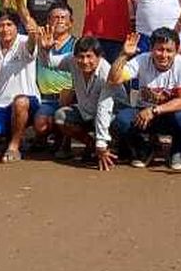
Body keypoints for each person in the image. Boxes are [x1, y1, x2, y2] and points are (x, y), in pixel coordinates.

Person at [110, 28, 181, 170]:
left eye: (169, 50)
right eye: (159, 50)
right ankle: (144, 148)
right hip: (143, 114)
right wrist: (124, 55)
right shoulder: (142, 60)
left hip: (169, 114)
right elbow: (114, 79)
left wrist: (155, 110)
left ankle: (176, 151)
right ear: (151, 49)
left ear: (176, 50)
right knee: (120, 121)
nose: (164, 55)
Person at [37, 32, 123, 169]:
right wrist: (45, 50)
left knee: (115, 123)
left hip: (112, 115)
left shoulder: (106, 73)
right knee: (60, 116)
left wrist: (101, 144)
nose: (84, 61)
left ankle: (112, 146)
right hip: (86, 112)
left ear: (99, 56)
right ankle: (90, 144)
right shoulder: (71, 60)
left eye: (89, 57)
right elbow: (49, 63)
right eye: (81, 57)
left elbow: (104, 108)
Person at [0, 0, 40, 162]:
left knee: (20, 102)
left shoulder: (24, 42)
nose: (5, 29)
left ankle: (14, 146)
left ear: (16, 27)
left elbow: (32, 35)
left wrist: (21, 5)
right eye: (0, 25)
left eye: (9, 25)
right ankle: (9, 132)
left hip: (27, 101)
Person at [31, 2, 77, 153]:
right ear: (48, 21)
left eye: (64, 17)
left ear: (71, 23)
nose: (60, 20)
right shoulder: (38, 42)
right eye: (55, 17)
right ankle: (43, 137)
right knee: (41, 125)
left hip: (70, 98)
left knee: (67, 94)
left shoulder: (77, 46)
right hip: (44, 98)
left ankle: (64, 142)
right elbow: (28, 22)